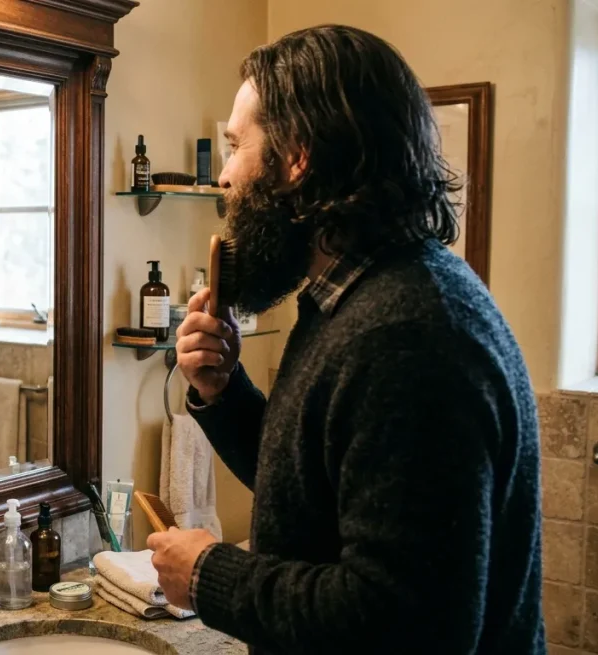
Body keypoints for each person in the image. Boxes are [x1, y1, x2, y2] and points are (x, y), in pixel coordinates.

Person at [146, 25, 544, 654]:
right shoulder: (351, 298)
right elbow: (312, 495)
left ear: (298, 157)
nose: (224, 177)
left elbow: (406, 622)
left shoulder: (407, 334)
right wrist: (223, 393)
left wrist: (208, 575)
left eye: (234, 146)